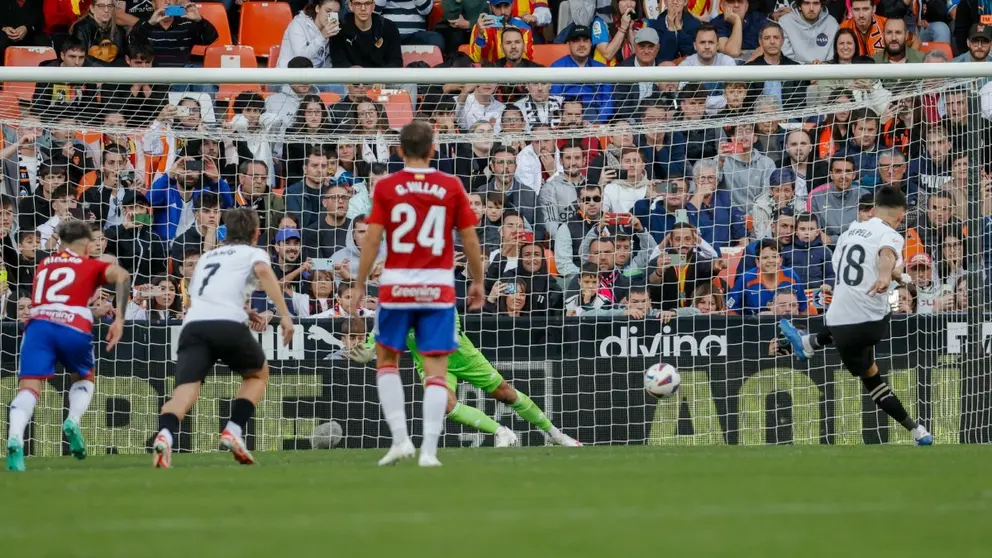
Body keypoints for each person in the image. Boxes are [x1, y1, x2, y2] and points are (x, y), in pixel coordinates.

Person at [354, 120, 485, 467]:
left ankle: (400, 440)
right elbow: (469, 239)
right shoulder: (450, 185)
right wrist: (477, 280)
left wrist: (358, 284)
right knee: (436, 369)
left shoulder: (386, 187)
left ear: (398, 151)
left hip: (396, 286)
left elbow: (372, 238)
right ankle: (428, 450)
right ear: (433, 149)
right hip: (438, 287)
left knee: (386, 360)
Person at [779, 186, 933, 446]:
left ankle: (809, 344)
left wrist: (890, 275)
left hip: (840, 321)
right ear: (901, 215)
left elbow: (849, 268)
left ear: (872, 210)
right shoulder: (891, 234)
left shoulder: (849, 232)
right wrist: (888, 276)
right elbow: (885, 256)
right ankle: (919, 431)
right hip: (874, 321)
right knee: (872, 375)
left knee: (872, 381)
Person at [152, 208, 295, 469]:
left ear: (225, 232)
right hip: (227, 324)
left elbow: (204, 295)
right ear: (257, 233)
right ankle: (233, 430)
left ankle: (165, 435)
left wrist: (246, 310)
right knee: (258, 374)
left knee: (186, 389)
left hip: (194, 325)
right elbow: (263, 271)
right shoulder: (254, 252)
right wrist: (284, 315)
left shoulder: (208, 257)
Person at [6, 220, 130, 472]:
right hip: (73, 327)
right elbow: (123, 276)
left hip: (38, 326)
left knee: (29, 387)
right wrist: (118, 319)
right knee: (84, 377)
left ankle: (15, 436)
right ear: (86, 244)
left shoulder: (43, 264)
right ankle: (72, 419)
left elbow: (58, 300)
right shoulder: (90, 264)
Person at [348, 312, 579, 446]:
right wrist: (369, 351)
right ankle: (501, 432)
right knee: (445, 405)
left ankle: (556, 434)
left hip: (461, 355)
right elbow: (374, 340)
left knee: (505, 394)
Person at [330, 0, 403, 68]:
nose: (363, 8)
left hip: (382, 79)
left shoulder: (388, 27)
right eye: (358, 4)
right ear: (350, 6)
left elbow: (396, 61)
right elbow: (338, 62)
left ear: (373, 6)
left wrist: (380, 79)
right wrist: (352, 72)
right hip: (352, 79)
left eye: (367, 3)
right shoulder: (340, 29)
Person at [278, 0, 340, 69]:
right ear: (317, 9)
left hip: (317, 77)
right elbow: (301, 58)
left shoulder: (333, 30)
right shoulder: (298, 24)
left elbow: (328, 62)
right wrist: (322, 37)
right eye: (328, 11)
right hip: (289, 75)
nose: (330, 17)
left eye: (335, 13)